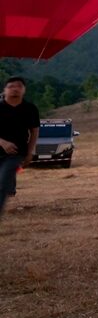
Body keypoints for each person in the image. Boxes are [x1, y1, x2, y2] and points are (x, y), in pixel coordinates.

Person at [0, 77, 40, 220]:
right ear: (4, 90)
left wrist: (30, 152)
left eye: (19, 86)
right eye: (11, 86)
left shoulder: (30, 109)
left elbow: (34, 131)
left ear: (24, 90)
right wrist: (2, 142)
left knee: (3, 183)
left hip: (17, 153)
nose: (15, 89)